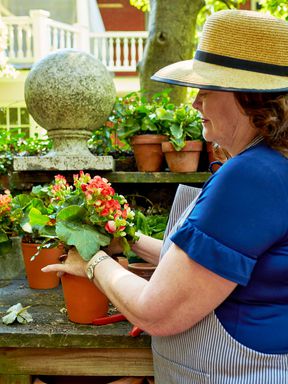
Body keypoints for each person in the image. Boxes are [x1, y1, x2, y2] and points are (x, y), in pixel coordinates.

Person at [42, 10, 288, 383]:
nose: (195, 102)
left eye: (207, 89)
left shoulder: (251, 176)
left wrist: (91, 262)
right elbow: (205, 267)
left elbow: (156, 312)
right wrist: (125, 236)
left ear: (248, 98)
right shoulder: (271, 166)